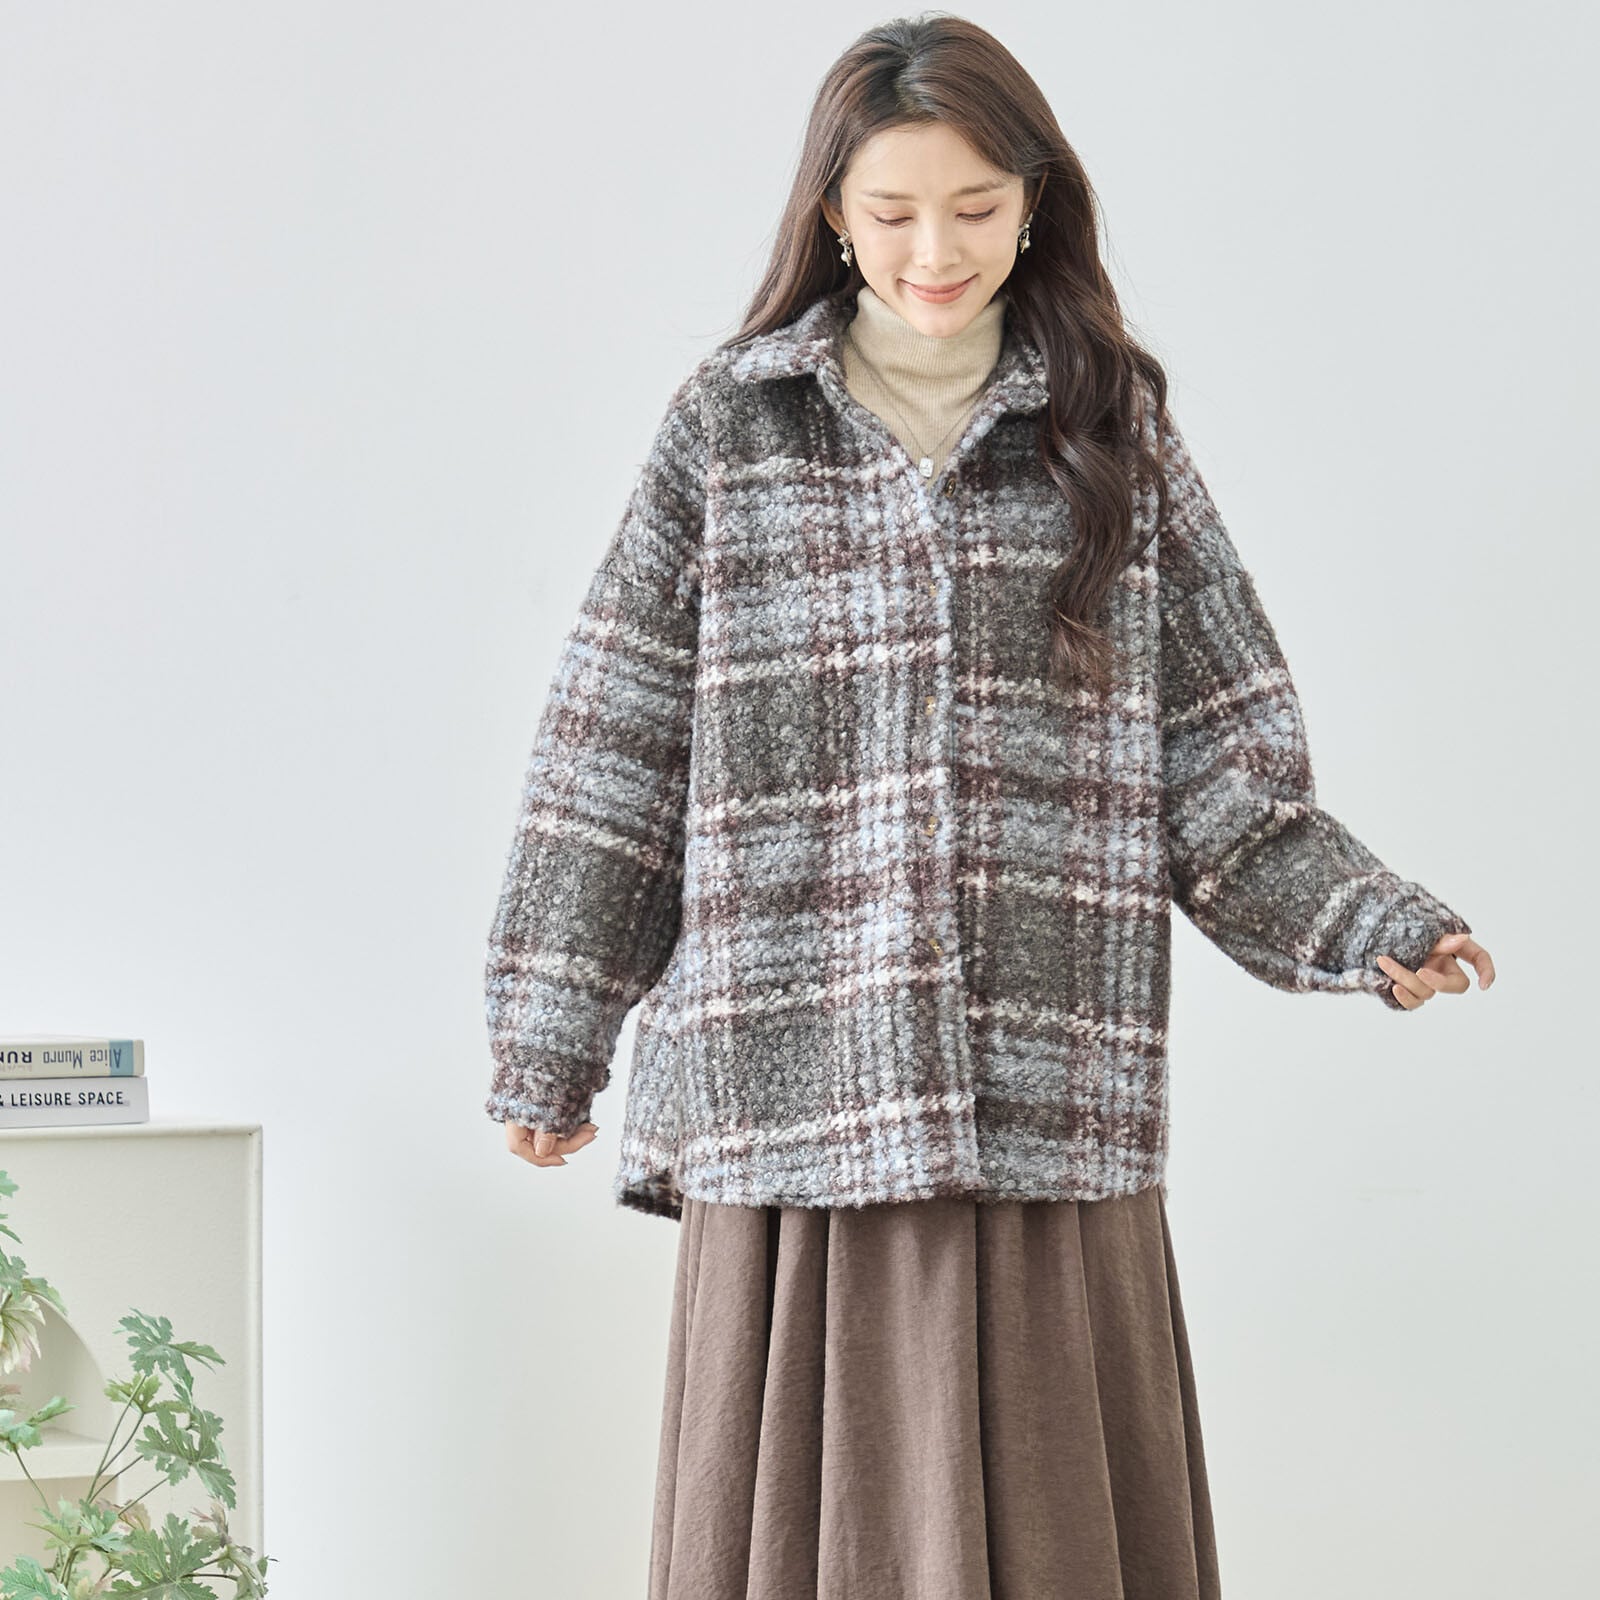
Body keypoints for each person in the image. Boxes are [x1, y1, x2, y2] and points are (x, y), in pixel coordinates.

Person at [483, 15, 1495, 1598]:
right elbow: (617, 746)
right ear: (832, 215)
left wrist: (1371, 924)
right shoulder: (731, 428)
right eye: (892, 212)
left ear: (1034, 203)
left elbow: (1220, 762)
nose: (934, 251)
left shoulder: (1113, 433)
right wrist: (550, 1038)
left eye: (972, 206)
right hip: (791, 1084)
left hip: (1049, 1093)